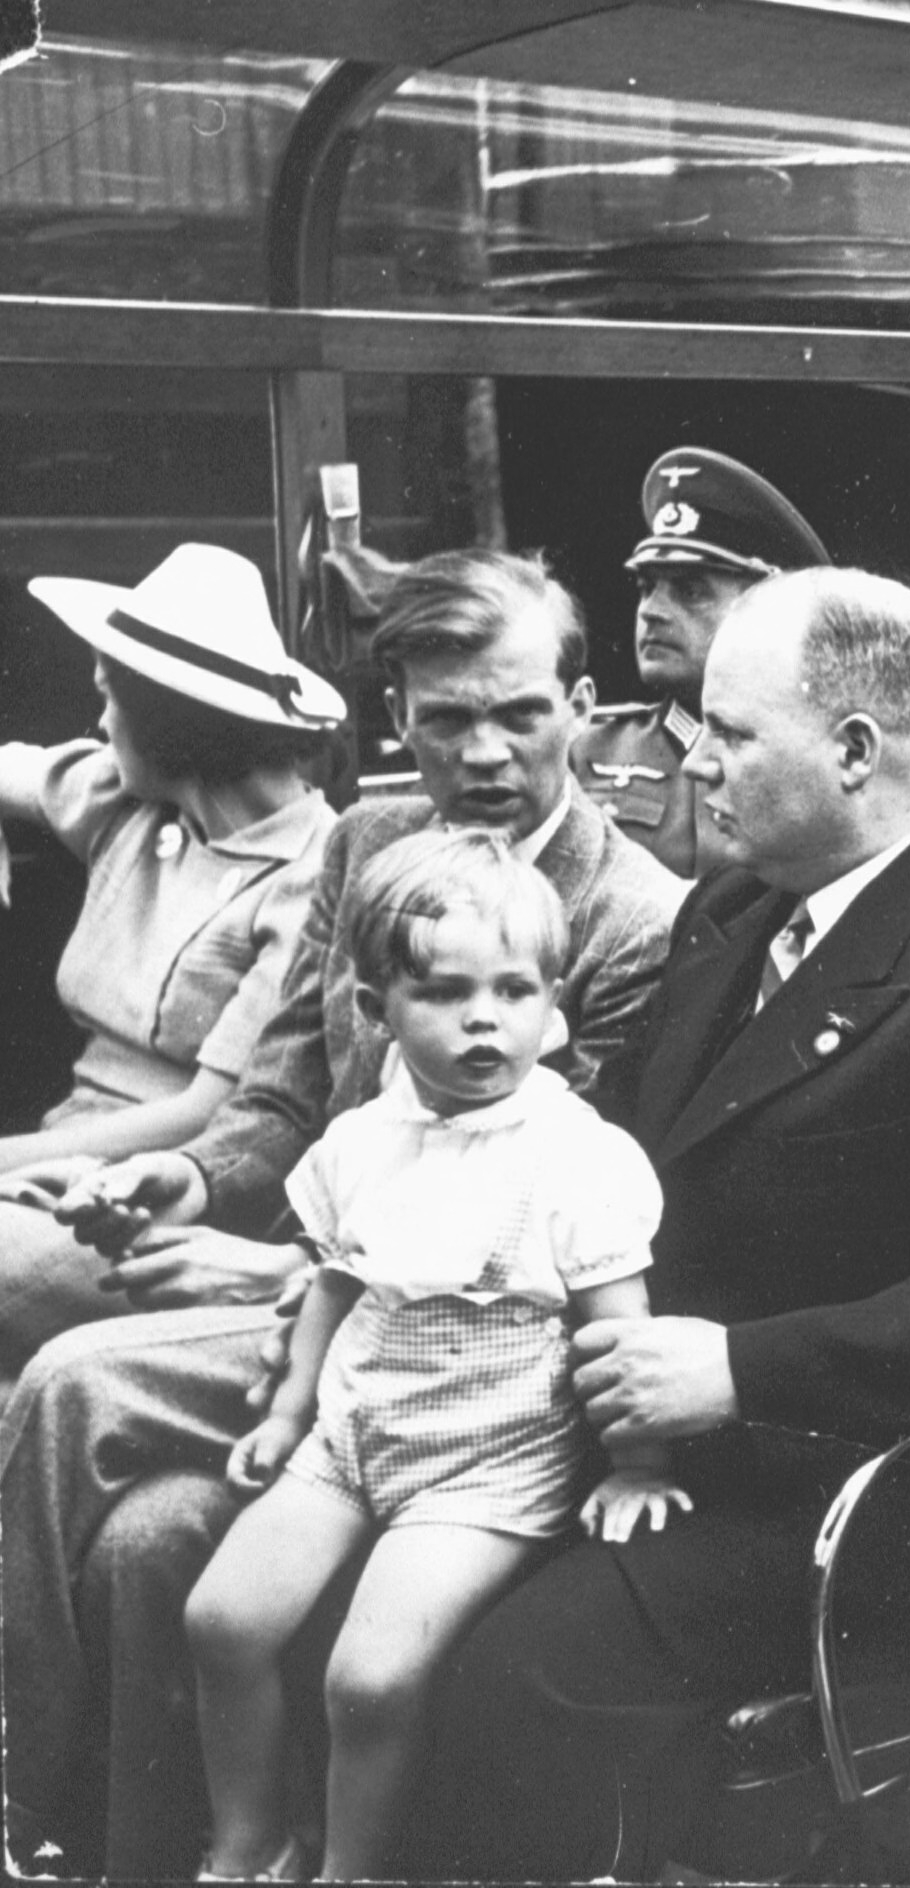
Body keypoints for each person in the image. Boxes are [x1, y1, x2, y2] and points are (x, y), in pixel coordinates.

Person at [393, 565, 910, 1878]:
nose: (693, 760)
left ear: (854, 751)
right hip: (656, 1432)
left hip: (872, 1486)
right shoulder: (738, 911)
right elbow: (614, 1155)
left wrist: (741, 1369)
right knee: (347, 1604)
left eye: (730, 731)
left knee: (508, 1682)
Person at [0, 548, 683, 1879]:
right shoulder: (369, 843)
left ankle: (18, 1783)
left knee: (76, 1380)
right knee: (148, 1538)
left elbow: (534, 1202)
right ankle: (144, 1841)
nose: (482, 751)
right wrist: (189, 1181)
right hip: (314, 1280)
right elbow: (280, 1091)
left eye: (518, 713)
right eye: (444, 719)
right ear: (397, 724)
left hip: (469, 1350)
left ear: (583, 707)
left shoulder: (630, 919)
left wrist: (253, 1271)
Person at [183, 831, 682, 1882]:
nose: (484, 1018)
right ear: (377, 1009)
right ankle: (246, 1840)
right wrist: (288, 1409)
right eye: (445, 993)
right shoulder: (369, 1139)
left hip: (489, 1462)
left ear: (556, 1004)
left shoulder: (574, 1158)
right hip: (358, 1429)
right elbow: (335, 1278)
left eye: (515, 989)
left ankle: (354, 1868)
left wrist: (640, 1457)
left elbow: (618, 1330)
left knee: (371, 1674)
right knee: (223, 1617)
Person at [0, 545, 341, 1377]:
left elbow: (206, 1114)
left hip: (155, 1202)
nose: (101, 724)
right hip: (49, 1163)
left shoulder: (310, 877)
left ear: (172, 718)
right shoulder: (130, 803)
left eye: (111, 699)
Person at [575, 446, 830, 877]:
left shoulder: (815, 757)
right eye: (646, 586)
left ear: (766, 603)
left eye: (690, 590)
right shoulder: (583, 750)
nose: (651, 610)